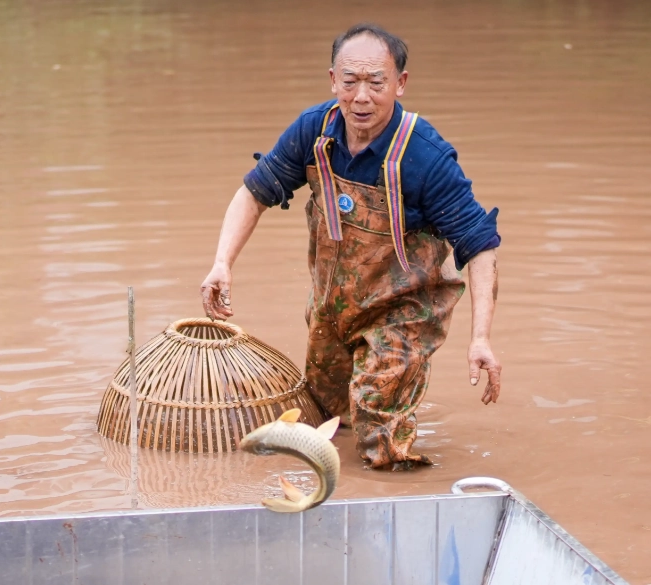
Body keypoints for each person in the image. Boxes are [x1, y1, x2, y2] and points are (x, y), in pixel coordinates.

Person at [200, 23, 502, 470]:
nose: (361, 97)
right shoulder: (314, 132)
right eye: (350, 81)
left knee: (379, 439)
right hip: (332, 306)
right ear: (333, 80)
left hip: (404, 313)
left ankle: (395, 496)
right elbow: (254, 193)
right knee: (325, 419)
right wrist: (221, 262)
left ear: (400, 84)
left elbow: (479, 247)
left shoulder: (426, 158)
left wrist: (480, 338)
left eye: (376, 83)